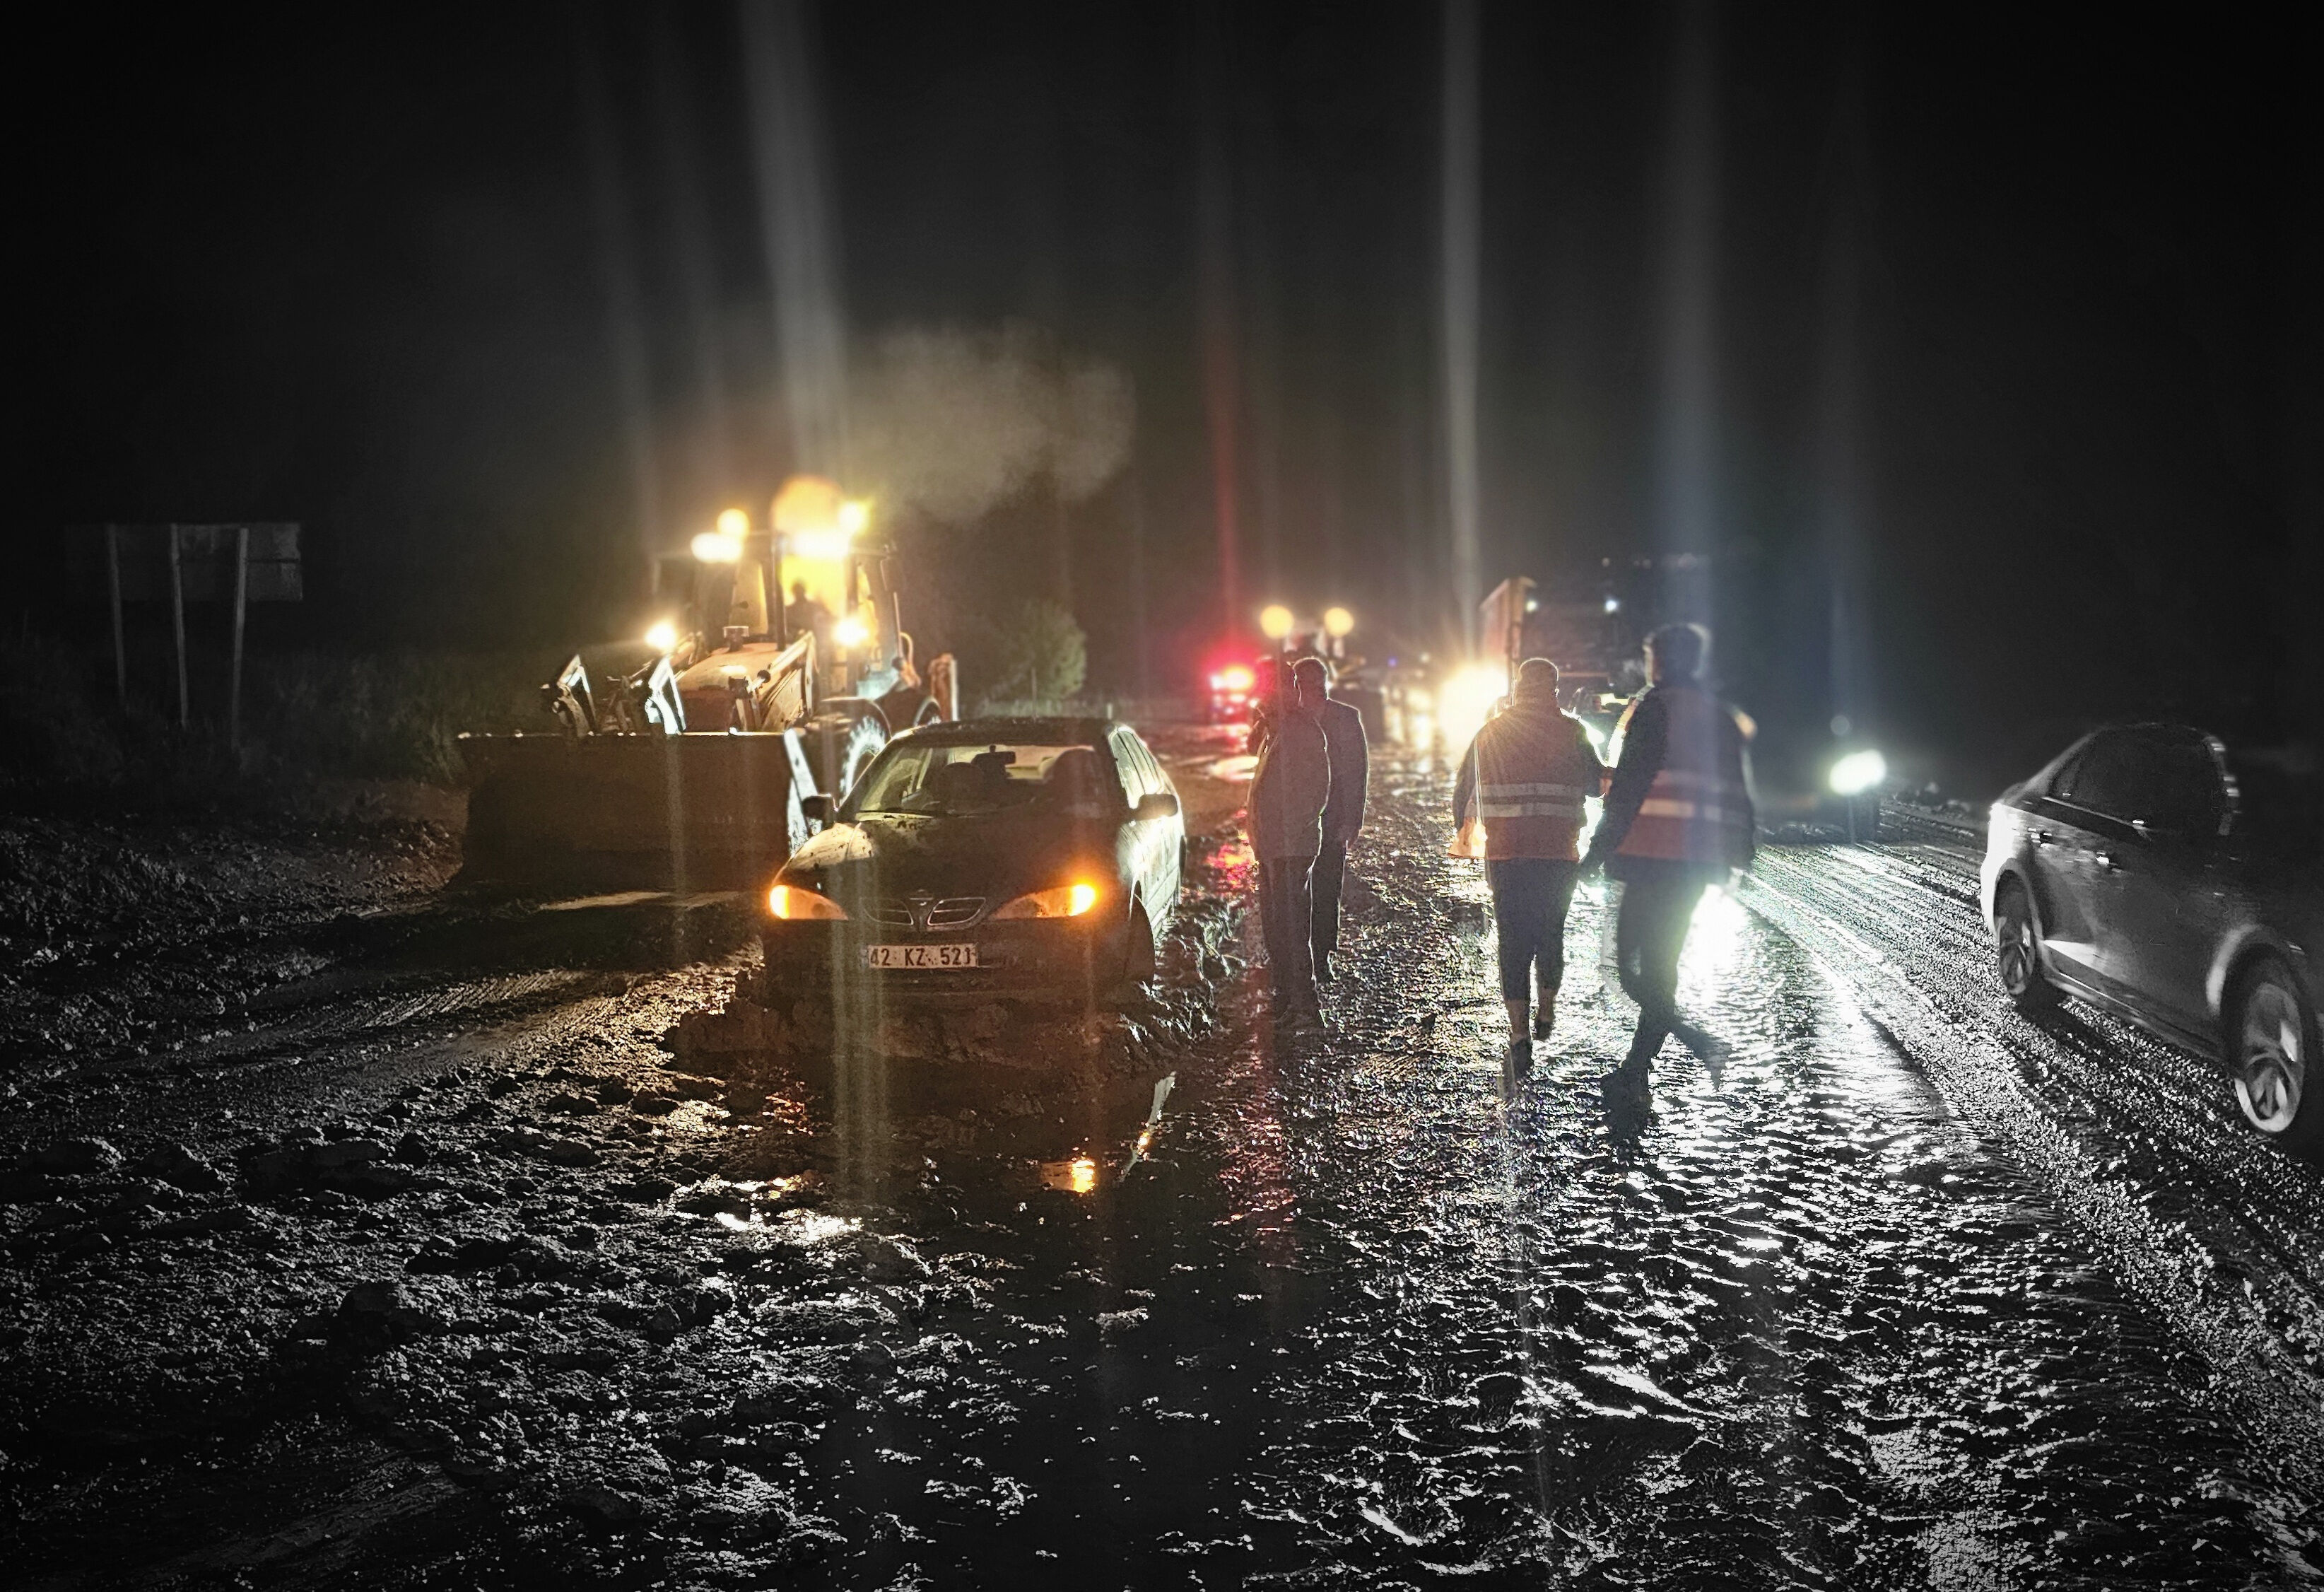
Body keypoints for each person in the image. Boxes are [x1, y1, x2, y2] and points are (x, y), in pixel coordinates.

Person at [1578, 622, 1754, 1099]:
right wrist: (1739, 851)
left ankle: (1686, 1046)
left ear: (1663, 659)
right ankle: (1639, 1068)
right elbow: (1736, 789)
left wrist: (1596, 852)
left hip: (1647, 855)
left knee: (1631, 970)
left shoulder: (1656, 709)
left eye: (1651, 654)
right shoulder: (1717, 714)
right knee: (1661, 965)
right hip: (1693, 864)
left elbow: (1629, 789)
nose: (1649, 663)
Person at [1452, 657, 1604, 1083]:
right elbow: (1594, 786)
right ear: (1554, 689)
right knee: (1550, 933)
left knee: (1512, 941)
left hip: (1506, 855)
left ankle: (1519, 1034)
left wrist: (1472, 834)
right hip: (1558, 854)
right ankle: (1547, 1008)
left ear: (1519, 688)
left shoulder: (1491, 732)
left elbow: (1463, 791)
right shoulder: (1573, 731)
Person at [1248, 657, 1332, 1030]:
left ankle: (1305, 1007)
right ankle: (1286, 999)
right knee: (1277, 927)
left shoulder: (1301, 729)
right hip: (1273, 847)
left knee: (1293, 929)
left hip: (1291, 848)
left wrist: (1290, 831)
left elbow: (1317, 788)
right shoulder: (1275, 729)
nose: (1259, 695)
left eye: (1265, 687)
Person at [1296, 656, 1368, 984]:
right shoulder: (1288, 720)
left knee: (1326, 887)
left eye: (1313, 683)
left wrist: (1353, 820)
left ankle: (1322, 955)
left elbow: (1357, 772)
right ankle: (1300, 956)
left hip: (1332, 818)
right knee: (1299, 891)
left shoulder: (1345, 718)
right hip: (1296, 820)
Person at [784, 580, 833, 652]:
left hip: (817, 645)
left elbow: (828, 619)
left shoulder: (816, 607)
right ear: (794, 593)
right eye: (797, 591)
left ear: (804, 591)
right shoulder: (788, 611)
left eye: (800, 590)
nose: (798, 593)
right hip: (796, 648)